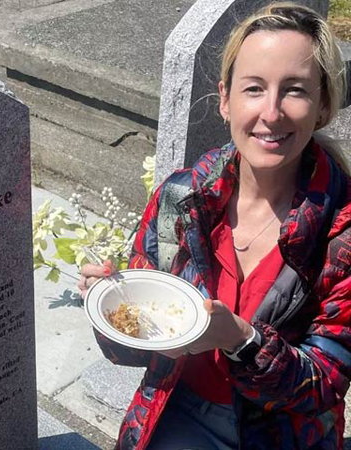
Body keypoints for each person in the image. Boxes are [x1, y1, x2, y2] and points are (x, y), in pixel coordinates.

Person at [78, 2, 351, 449]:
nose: (272, 112)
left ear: (322, 106)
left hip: (282, 433)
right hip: (176, 409)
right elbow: (128, 350)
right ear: (225, 100)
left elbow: (326, 383)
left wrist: (242, 340)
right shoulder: (180, 199)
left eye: (295, 90)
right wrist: (113, 310)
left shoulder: (342, 232)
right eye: (254, 88)